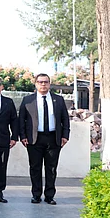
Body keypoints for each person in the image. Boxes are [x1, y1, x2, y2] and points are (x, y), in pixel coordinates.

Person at [19, 73, 70, 205]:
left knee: (51, 168)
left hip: (53, 138)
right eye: (40, 82)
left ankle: (49, 196)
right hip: (34, 139)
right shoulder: (28, 100)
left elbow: (65, 119)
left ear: (49, 83)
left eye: (46, 82)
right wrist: (23, 136)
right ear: (36, 84)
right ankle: (36, 195)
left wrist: (65, 135)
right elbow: (21, 120)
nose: (43, 84)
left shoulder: (58, 99)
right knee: (35, 168)